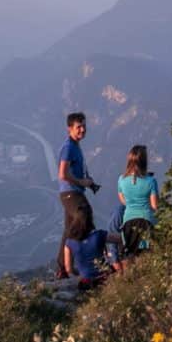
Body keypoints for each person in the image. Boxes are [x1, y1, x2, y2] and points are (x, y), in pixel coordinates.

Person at [54, 111, 101, 279]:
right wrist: (82, 183)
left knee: (70, 228)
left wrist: (88, 181)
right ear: (69, 129)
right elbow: (62, 174)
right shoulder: (68, 148)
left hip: (73, 191)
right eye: (78, 127)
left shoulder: (75, 146)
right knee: (84, 215)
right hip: (70, 192)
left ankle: (63, 269)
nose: (82, 130)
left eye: (84, 126)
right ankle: (76, 257)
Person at [117, 144, 159, 258]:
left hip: (128, 222)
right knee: (149, 256)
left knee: (132, 256)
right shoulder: (151, 181)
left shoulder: (121, 180)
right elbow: (155, 206)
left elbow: (123, 201)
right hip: (146, 221)